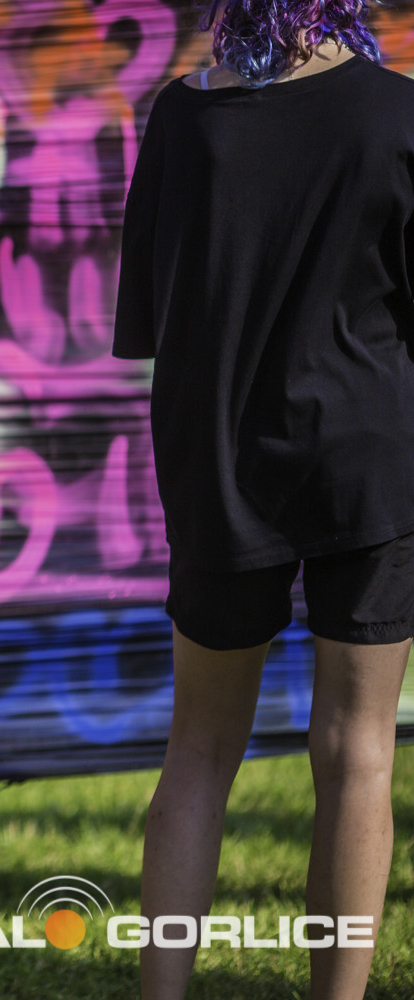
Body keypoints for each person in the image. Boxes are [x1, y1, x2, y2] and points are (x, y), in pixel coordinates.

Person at [113, 3, 414, 998]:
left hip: (217, 460)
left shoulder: (182, 115)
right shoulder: (397, 112)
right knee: (358, 751)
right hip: (372, 459)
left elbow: (149, 319)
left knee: (199, 748)